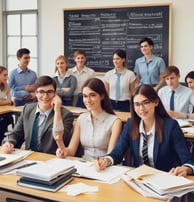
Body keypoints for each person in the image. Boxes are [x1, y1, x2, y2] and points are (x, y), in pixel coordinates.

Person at [96, 84, 194, 177]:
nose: (141, 108)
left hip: (164, 181)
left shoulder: (171, 126)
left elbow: (188, 161)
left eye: (146, 102)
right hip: (138, 180)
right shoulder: (131, 124)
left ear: (156, 102)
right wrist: (106, 160)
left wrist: (186, 169)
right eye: (137, 104)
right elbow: (117, 152)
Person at [2, 76, 74, 155]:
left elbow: (61, 139)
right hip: (29, 156)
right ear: (36, 93)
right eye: (41, 92)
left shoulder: (66, 115)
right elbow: (16, 133)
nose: (45, 96)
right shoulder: (28, 109)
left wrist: (57, 110)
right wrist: (8, 142)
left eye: (49, 92)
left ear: (55, 93)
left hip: (52, 158)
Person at [56, 78, 122, 161]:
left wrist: (103, 163)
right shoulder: (81, 119)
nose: (88, 100)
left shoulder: (115, 122)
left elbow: (110, 155)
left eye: (93, 95)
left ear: (102, 96)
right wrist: (63, 151)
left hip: (105, 167)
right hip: (84, 165)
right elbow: (71, 151)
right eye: (85, 96)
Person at [0, 66, 14, 143]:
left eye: (7, 75)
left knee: (7, 119)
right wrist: (5, 101)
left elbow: (9, 101)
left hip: (3, 111)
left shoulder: (6, 85)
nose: (7, 77)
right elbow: (8, 101)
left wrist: (2, 102)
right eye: (4, 75)